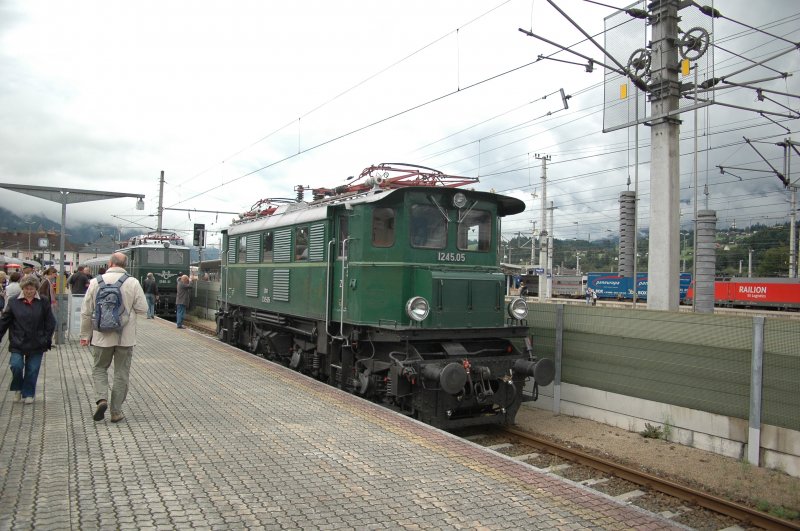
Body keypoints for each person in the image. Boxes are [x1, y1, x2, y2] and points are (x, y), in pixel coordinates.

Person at [80, 252, 147, 423]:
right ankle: (116, 411)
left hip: (101, 336)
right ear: (125, 265)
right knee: (121, 373)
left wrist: (85, 336)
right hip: (125, 337)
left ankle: (101, 399)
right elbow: (143, 309)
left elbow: (86, 312)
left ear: (110, 263)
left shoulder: (96, 282)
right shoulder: (132, 282)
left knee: (99, 368)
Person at [0, 275, 57, 404]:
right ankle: (18, 388)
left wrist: (46, 338)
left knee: (32, 369)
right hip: (18, 341)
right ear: (22, 288)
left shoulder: (43, 301)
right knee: (16, 366)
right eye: (26, 288)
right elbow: (4, 321)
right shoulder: (14, 301)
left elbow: (51, 322)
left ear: (36, 289)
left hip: (37, 342)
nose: (29, 291)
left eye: (32, 289)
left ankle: (28, 393)